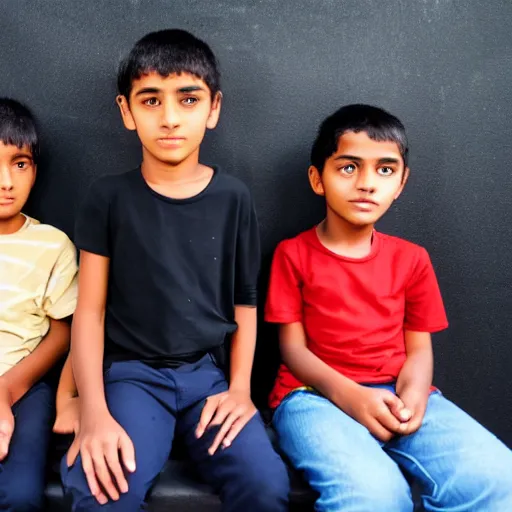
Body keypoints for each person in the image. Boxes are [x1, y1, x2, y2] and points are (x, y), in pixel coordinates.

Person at [60, 29, 289, 511]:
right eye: (150, 100)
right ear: (127, 111)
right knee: (101, 490)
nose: (169, 118)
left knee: (265, 485)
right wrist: (95, 411)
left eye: (187, 99)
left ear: (213, 108)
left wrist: (242, 390)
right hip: (131, 377)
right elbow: (89, 313)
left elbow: (244, 305)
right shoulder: (108, 198)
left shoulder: (234, 198)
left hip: (207, 379)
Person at [266, 103, 512, 511]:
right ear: (317, 178)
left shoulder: (413, 259)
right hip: (311, 397)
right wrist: (353, 398)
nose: (367, 183)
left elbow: (419, 349)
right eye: (348, 167)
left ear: (401, 183)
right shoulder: (292, 254)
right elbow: (293, 351)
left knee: (499, 478)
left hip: (399, 395)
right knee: (375, 496)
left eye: (384, 170)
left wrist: (414, 397)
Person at [0, 98, 78, 510]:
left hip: (25, 386)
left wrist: (6, 390)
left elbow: (62, 330)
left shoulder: (51, 245)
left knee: (20, 495)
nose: (6, 181)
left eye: (20, 163)